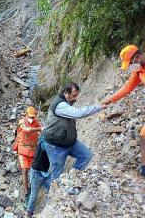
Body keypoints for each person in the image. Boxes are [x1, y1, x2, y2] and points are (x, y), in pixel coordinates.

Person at [42, 82, 107, 181]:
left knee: (86, 155)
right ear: (66, 93)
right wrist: (98, 107)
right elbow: (78, 113)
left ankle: (72, 178)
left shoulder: (67, 101)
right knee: (57, 176)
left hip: (69, 141)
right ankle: (54, 194)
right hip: (56, 146)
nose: (75, 98)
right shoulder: (60, 105)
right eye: (74, 95)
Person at [102, 45, 145, 177]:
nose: (130, 67)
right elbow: (127, 87)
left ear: (137, 57)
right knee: (143, 136)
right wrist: (110, 99)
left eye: (130, 63)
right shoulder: (138, 71)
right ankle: (144, 166)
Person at [13, 106, 43, 201]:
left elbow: (40, 133)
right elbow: (26, 129)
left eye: (33, 117)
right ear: (26, 115)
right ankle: (26, 192)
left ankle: (33, 187)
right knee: (25, 170)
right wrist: (39, 129)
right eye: (29, 117)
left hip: (32, 151)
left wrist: (40, 132)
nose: (31, 119)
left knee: (32, 170)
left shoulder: (36, 123)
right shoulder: (22, 122)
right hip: (22, 149)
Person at [26, 139, 51, 217]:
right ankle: (29, 213)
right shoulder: (43, 143)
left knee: (52, 190)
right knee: (34, 196)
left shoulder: (52, 144)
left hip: (45, 173)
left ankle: (47, 210)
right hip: (36, 173)